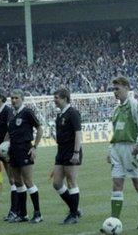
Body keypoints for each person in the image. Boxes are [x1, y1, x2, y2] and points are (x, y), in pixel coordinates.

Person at [105, 76, 138, 230]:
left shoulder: (134, 105)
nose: (115, 92)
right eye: (113, 89)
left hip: (131, 148)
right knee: (116, 184)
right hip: (117, 149)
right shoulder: (116, 109)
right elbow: (115, 131)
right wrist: (110, 149)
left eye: (117, 88)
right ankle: (113, 222)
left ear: (126, 88)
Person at [6, 90, 44, 224]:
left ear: (22, 99)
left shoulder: (27, 112)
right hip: (13, 151)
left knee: (28, 181)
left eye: (16, 98)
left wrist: (34, 147)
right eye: (12, 98)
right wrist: (4, 147)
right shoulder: (12, 116)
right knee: (17, 182)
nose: (14, 100)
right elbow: (9, 134)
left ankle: (38, 213)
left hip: (24, 149)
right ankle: (23, 214)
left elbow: (39, 128)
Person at [52, 88, 82, 225]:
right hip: (61, 152)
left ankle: (73, 215)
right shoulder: (59, 115)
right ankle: (74, 209)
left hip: (71, 151)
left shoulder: (73, 113)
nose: (55, 100)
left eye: (57, 97)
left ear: (65, 98)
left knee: (71, 182)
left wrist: (76, 153)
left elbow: (78, 134)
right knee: (57, 183)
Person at [0, 88, 17, 221]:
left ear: (1, 98)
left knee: (16, 180)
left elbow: (10, 130)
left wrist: (5, 146)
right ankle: (15, 211)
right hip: (2, 149)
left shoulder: (8, 111)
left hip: (9, 149)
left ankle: (16, 211)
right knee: (12, 180)